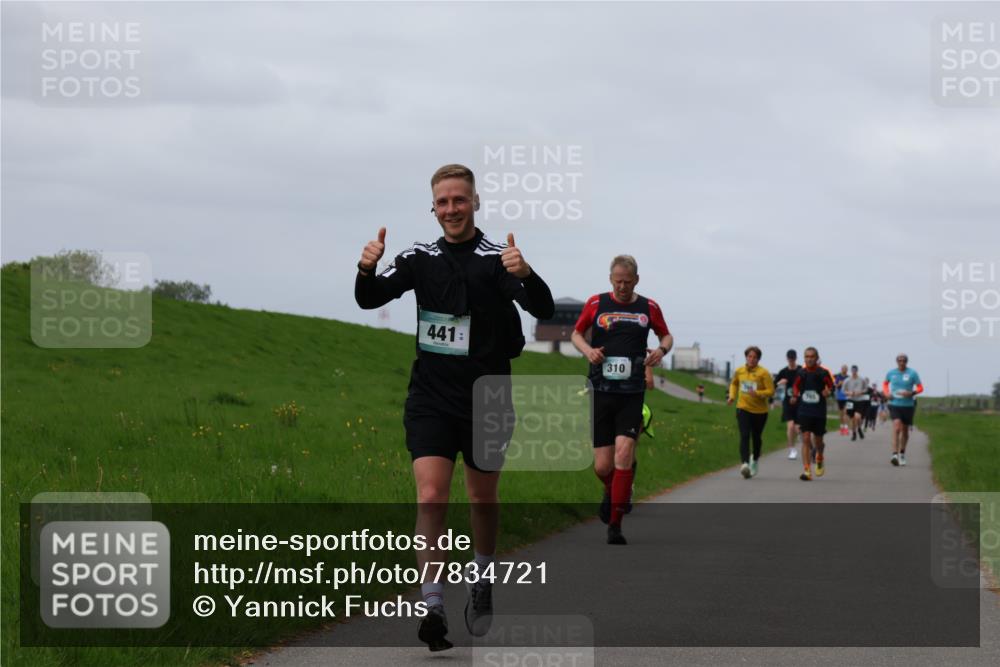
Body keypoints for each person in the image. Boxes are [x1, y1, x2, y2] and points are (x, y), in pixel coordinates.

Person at [355, 164, 554, 651]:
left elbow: (544, 309)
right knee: (431, 495)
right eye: (442, 202)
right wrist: (366, 268)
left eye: (459, 200)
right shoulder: (418, 257)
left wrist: (526, 274)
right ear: (433, 207)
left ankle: (481, 578)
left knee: (481, 498)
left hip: (488, 397)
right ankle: (433, 606)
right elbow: (368, 299)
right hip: (431, 397)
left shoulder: (496, 258)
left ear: (475, 203)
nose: (451, 209)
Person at [571, 255, 672, 545]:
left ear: (636, 280)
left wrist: (661, 351)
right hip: (601, 390)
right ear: (610, 279)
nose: (623, 287)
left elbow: (666, 336)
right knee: (603, 467)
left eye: (628, 282)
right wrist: (588, 351)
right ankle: (613, 489)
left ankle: (615, 525)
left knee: (624, 453)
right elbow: (577, 334)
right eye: (618, 281)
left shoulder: (649, 307)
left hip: (631, 392)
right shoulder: (596, 303)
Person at [727, 346, 775, 478]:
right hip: (743, 408)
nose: (752, 359)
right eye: (749, 356)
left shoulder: (763, 373)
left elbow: (771, 391)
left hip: (760, 412)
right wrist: (732, 396)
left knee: (756, 438)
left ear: (758, 359)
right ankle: (745, 464)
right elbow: (734, 384)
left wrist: (757, 393)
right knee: (744, 435)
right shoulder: (739, 371)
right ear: (746, 357)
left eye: (754, 357)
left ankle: (755, 459)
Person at [789, 347, 834, 481]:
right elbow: (795, 386)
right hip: (804, 410)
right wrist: (795, 395)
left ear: (817, 358)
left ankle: (819, 456)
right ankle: (807, 471)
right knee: (806, 438)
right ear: (804, 358)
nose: (809, 359)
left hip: (819, 411)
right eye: (807, 357)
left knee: (819, 441)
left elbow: (831, 386)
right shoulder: (801, 373)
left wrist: (828, 391)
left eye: (812, 356)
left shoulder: (823, 373)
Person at [883, 354, 924, 466]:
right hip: (894, 404)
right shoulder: (891, 373)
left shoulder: (912, 373)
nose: (902, 362)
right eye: (900, 360)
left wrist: (912, 393)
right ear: (896, 361)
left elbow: (920, 387)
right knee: (896, 427)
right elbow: (885, 384)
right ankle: (894, 454)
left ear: (907, 362)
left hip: (908, 405)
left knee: (905, 431)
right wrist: (886, 393)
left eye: (904, 360)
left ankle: (902, 453)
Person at [773, 349, 802, 459]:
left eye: (793, 359)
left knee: (798, 428)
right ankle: (792, 449)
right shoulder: (783, 372)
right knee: (790, 426)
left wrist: (797, 395)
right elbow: (773, 385)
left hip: (800, 402)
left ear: (796, 358)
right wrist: (779, 383)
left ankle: (801, 437)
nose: (791, 361)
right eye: (790, 359)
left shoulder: (801, 370)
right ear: (787, 359)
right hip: (788, 402)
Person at [842, 365, 870, 441]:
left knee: (858, 417)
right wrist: (849, 393)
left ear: (857, 370)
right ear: (851, 371)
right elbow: (843, 390)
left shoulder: (862, 379)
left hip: (860, 400)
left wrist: (860, 392)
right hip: (850, 400)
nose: (854, 371)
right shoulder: (847, 380)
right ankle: (854, 433)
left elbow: (866, 389)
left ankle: (859, 428)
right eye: (852, 370)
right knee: (852, 418)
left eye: (855, 370)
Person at [834, 364, 849, 436]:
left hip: (846, 397)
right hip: (839, 396)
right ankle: (841, 427)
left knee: (846, 412)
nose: (844, 370)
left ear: (847, 370)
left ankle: (846, 428)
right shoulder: (838, 376)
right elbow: (835, 385)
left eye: (846, 369)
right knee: (841, 413)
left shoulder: (848, 377)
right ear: (841, 369)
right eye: (843, 369)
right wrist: (839, 384)